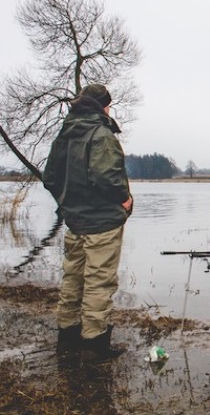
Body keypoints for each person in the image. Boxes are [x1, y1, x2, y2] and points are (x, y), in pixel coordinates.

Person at [43, 84, 133, 359]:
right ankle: (94, 343)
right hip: (102, 222)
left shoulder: (65, 134)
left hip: (76, 221)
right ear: (103, 106)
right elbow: (107, 177)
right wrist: (124, 199)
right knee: (99, 281)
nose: (109, 109)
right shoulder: (100, 134)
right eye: (108, 104)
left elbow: (50, 178)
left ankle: (67, 335)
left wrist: (68, 202)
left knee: (73, 277)